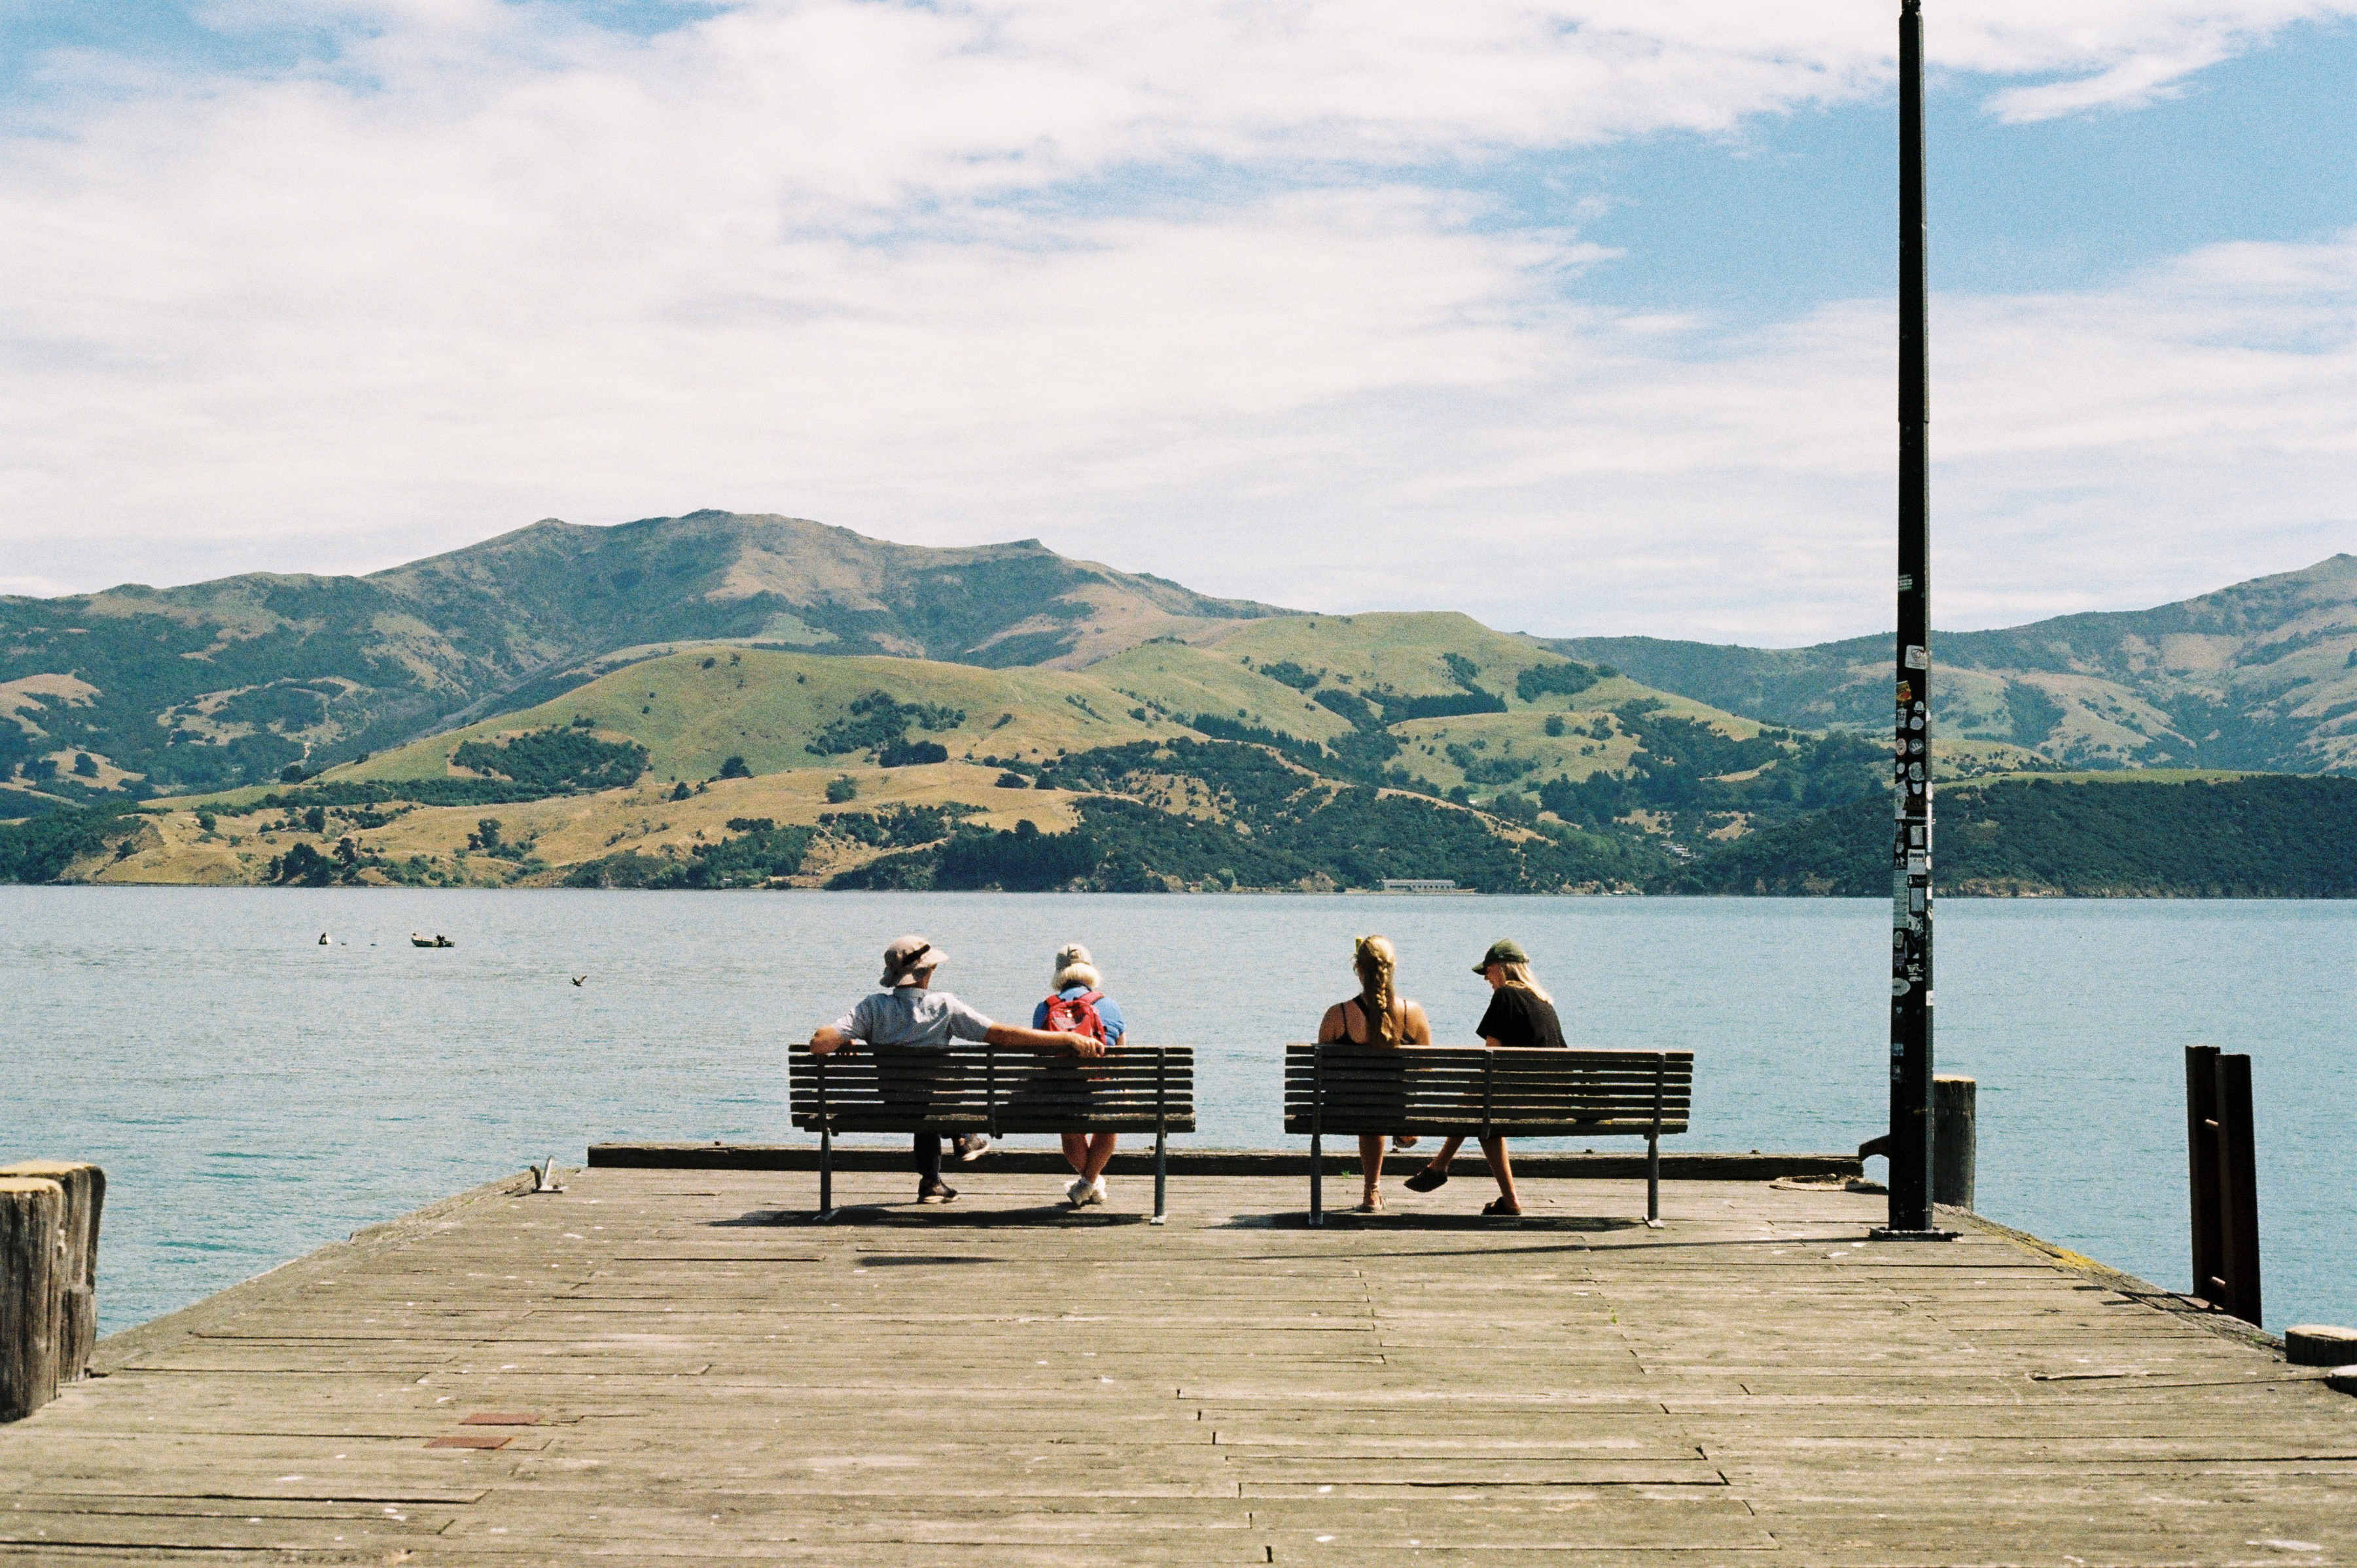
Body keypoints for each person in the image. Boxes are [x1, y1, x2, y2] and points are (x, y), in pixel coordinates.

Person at [809, 935, 1103, 1204]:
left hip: (894, 1103)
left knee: (920, 1102)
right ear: (927, 971)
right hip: (938, 1101)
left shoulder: (872, 1008)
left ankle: (932, 1182)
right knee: (932, 1096)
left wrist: (843, 1038)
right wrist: (1066, 1039)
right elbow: (1001, 1035)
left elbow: (819, 1042)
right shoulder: (944, 1006)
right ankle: (963, 1137)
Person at [1402, 938, 1565, 1216]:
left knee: (1482, 1109)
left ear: (1501, 967)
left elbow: (1490, 1058)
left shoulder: (1505, 996)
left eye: (1488, 970)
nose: (1486, 978)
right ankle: (1442, 1166)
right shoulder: (1544, 1000)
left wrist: (1470, 1094)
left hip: (1525, 1100)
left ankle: (1445, 1167)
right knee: (1481, 1103)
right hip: (1554, 1101)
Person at [1315, 935, 1432, 1213]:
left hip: (1346, 1111)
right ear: (1392, 968)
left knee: (1368, 1103)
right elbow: (1426, 1070)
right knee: (1382, 1101)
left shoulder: (1337, 1016)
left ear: (1358, 968)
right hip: (1396, 1111)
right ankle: (1403, 1132)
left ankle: (1372, 1192)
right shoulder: (1413, 1013)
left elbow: (1322, 1072)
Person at [1033, 943, 1127, 1208]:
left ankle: (1089, 1183)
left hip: (1061, 1096)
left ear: (1059, 974)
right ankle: (1091, 1182)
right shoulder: (1110, 1006)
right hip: (1102, 1094)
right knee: (1108, 1116)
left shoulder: (1044, 1008)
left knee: (1069, 1125)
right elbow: (1121, 1060)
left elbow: (1039, 1058)